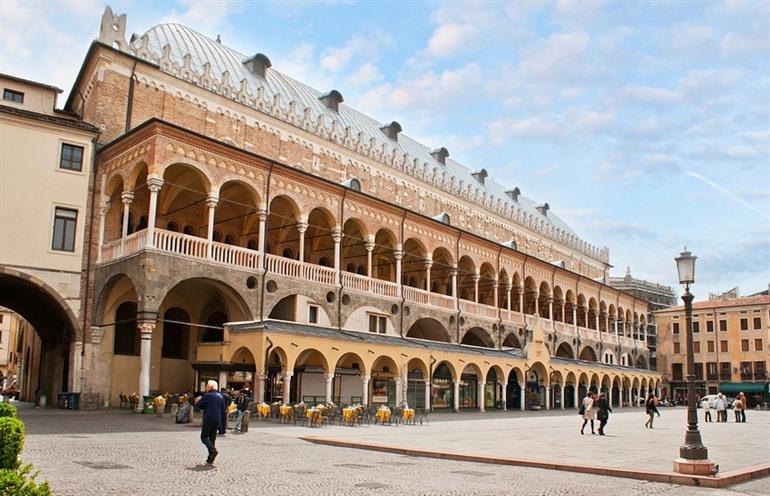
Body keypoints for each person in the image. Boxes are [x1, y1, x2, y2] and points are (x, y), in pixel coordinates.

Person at [195, 380, 225, 464]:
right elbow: (223, 408)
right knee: (212, 438)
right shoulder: (220, 396)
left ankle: (213, 450)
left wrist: (205, 406)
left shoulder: (207, 396)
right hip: (217, 419)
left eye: (207, 386)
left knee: (204, 437)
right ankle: (210, 457)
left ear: (211, 387)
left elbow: (198, 405)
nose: (206, 387)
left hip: (208, 418)